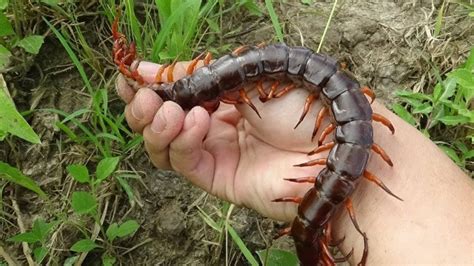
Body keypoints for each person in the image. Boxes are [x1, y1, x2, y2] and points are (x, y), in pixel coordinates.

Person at [115, 60, 473, 265]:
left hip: (342, 151)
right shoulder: (231, 81)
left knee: (309, 228)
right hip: (339, 159)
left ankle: (310, 242)